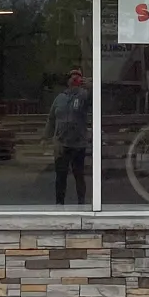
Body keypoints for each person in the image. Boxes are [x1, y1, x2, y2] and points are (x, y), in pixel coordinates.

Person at [45, 68, 91, 205]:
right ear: (68, 80)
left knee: (79, 175)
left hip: (78, 144)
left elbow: (95, 99)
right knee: (60, 176)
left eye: (77, 77)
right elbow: (51, 119)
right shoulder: (60, 98)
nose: (74, 78)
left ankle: (82, 203)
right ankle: (59, 204)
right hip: (61, 144)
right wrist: (45, 137)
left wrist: (89, 85)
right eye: (72, 76)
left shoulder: (84, 96)